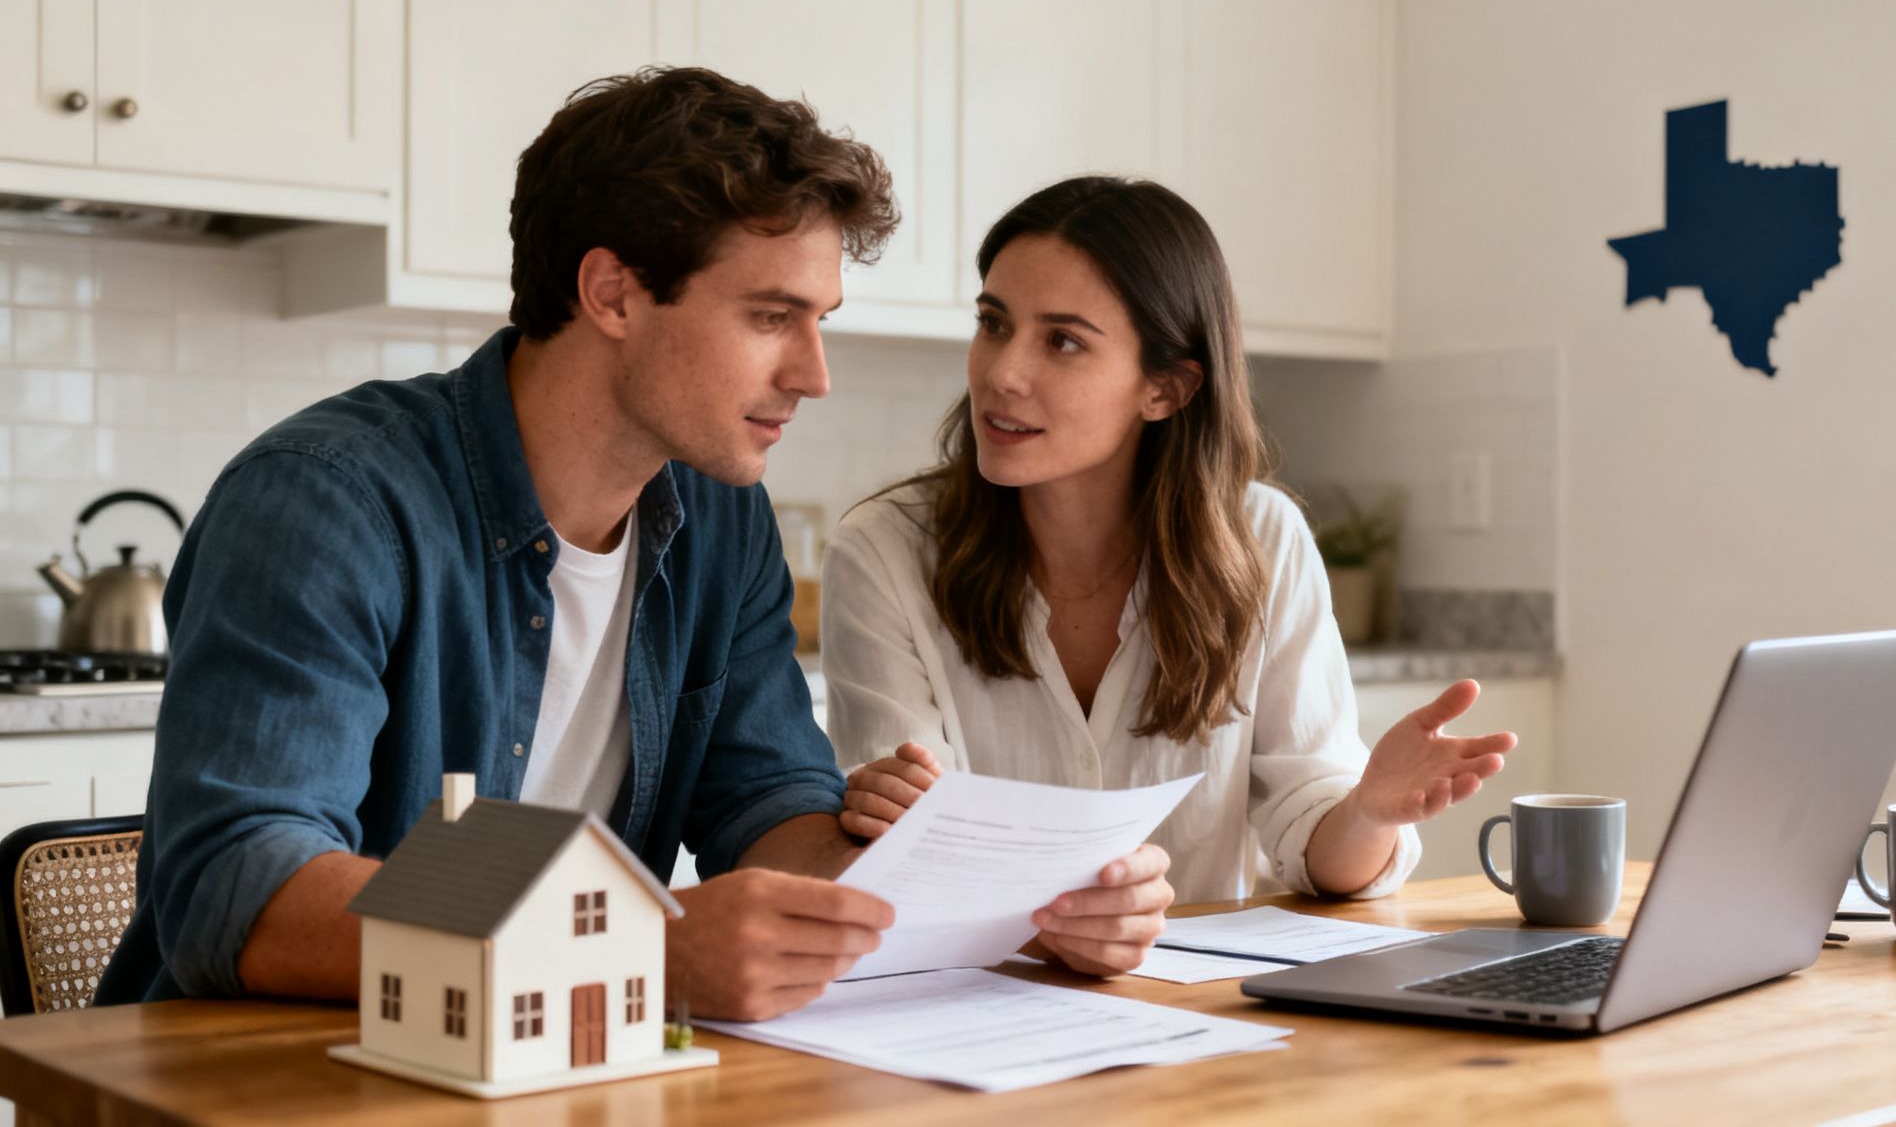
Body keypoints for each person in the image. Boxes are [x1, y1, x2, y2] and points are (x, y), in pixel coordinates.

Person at [96, 70, 1170, 1022]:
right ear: (610, 291)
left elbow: (768, 811)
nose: (811, 373)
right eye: (769, 317)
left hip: (557, 1068)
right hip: (274, 1083)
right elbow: (240, 890)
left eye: (819, 321)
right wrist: (630, 948)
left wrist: (1014, 900)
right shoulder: (330, 502)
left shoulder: (715, 517)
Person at [823, 176, 1516, 919]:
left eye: (1062, 341)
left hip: (1209, 1017)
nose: (1002, 373)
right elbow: (905, 852)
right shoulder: (885, 552)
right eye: (994, 323)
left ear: (1167, 389)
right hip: (973, 1004)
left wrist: (1371, 812)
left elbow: (1321, 849)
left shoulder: (1264, 541)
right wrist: (1048, 923)